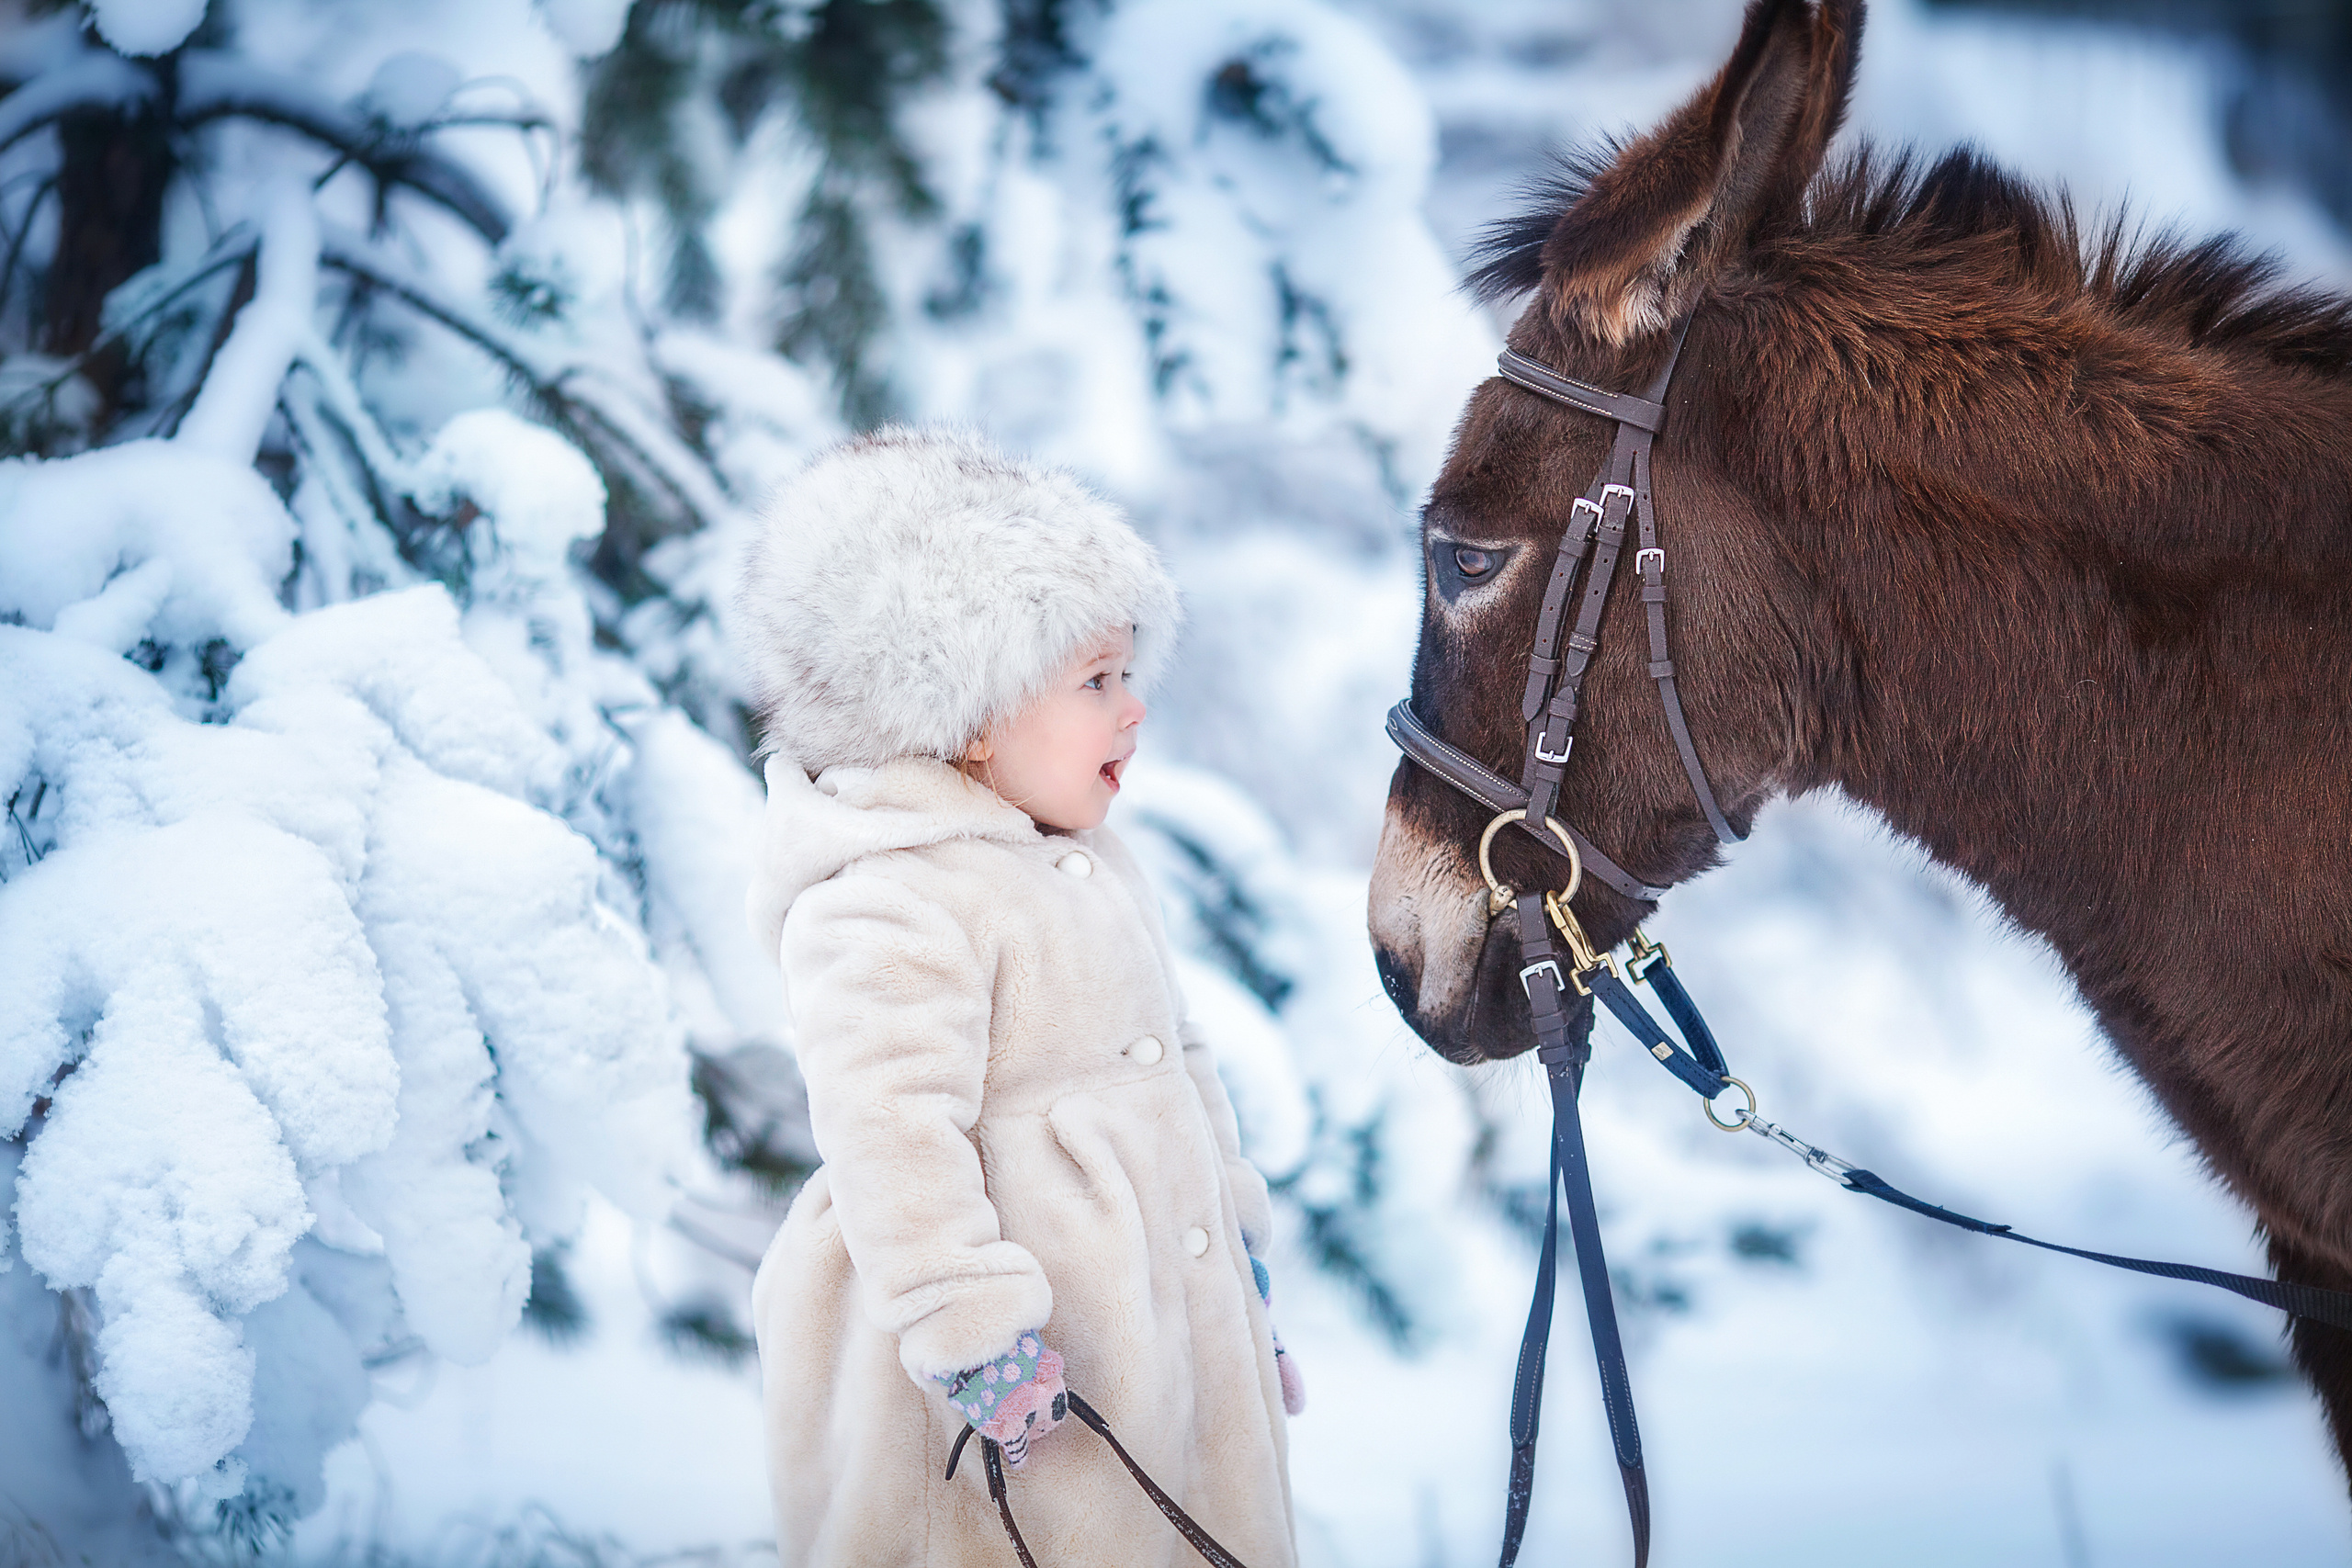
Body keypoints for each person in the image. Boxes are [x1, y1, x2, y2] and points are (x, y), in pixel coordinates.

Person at [737, 427, 1304, 1568]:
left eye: (1128, 674)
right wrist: (971, 1333)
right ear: (972, 713)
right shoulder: (887, 894)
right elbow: (888, 1131)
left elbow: (1180, 1063)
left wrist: (1233, 1262)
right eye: (1095, 681)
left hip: (1154, 1347)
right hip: (998, 1384)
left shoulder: (1089, 866)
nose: (1133, 708)